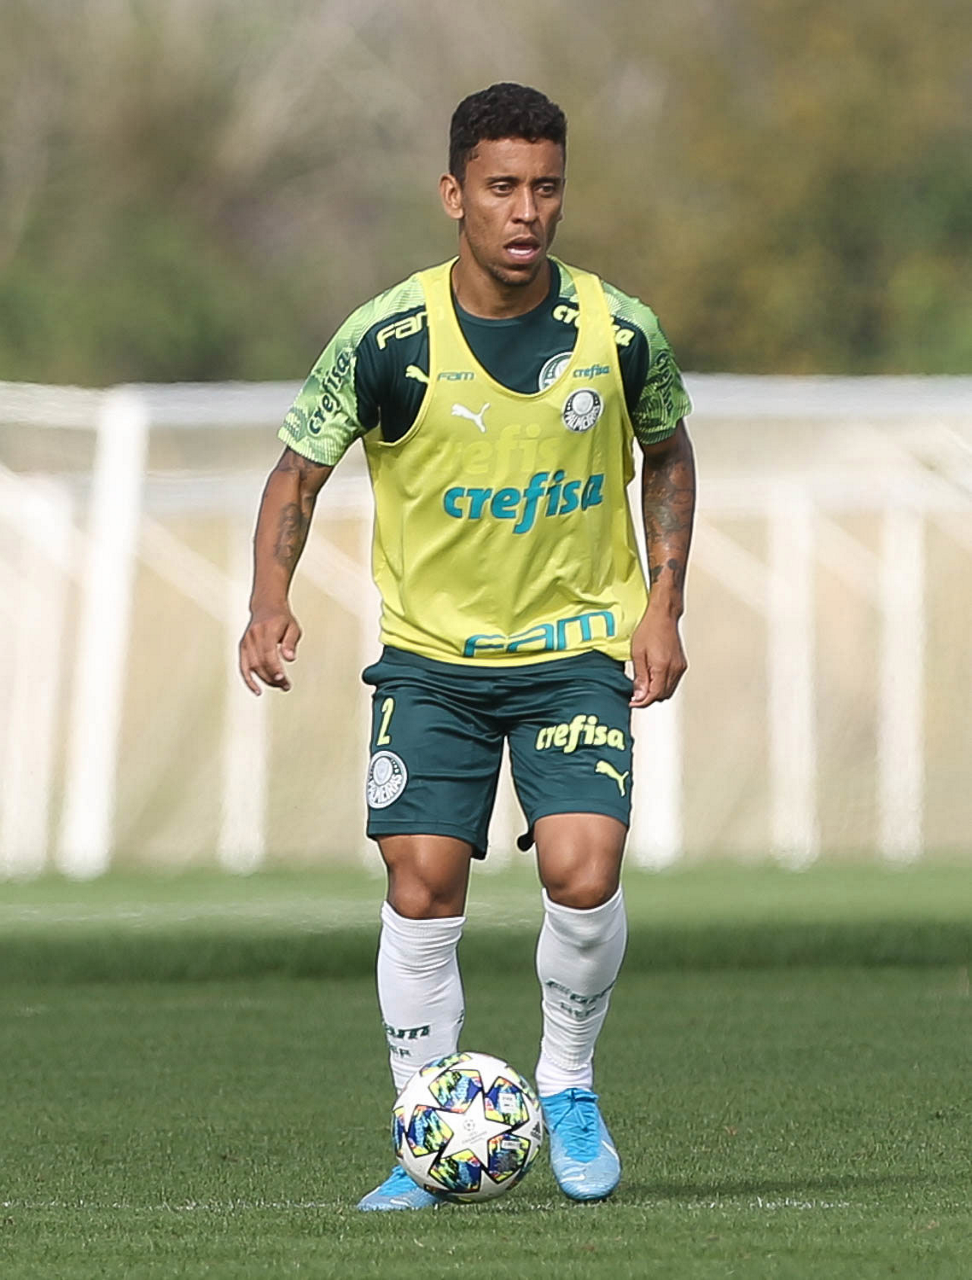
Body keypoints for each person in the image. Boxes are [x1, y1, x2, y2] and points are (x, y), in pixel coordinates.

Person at [239, 82, 696, 1211]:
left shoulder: (617, 331)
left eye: (545, 187)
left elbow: (670, 454)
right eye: (501, 187)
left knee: (585, 869)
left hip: (574, 651)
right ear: (454, 194)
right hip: (432, 662)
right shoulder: (387, 338)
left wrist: (663, 606)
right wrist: (266, 600)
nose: (525, 209)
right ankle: (424, 1130)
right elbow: (297, 474)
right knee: (424, 881)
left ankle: (569, 1085)